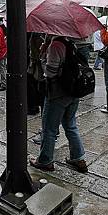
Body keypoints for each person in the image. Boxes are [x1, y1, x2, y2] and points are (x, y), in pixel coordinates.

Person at [29, 35, 87, 173]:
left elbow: (50, 72)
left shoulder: (55, 45)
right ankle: (78, 158)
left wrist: (43, 56)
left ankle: (45, 161)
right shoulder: (69, 43)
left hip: (58, 93)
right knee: (70, 124)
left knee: (49, 128)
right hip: (73, 92)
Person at [27, 33, 45, 116]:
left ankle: (35, 107)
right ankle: (36, 106)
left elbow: (35, 52)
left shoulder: (37, 35)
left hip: (37, 65)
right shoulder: (37, 34)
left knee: (36, 86)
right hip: (36, 64)